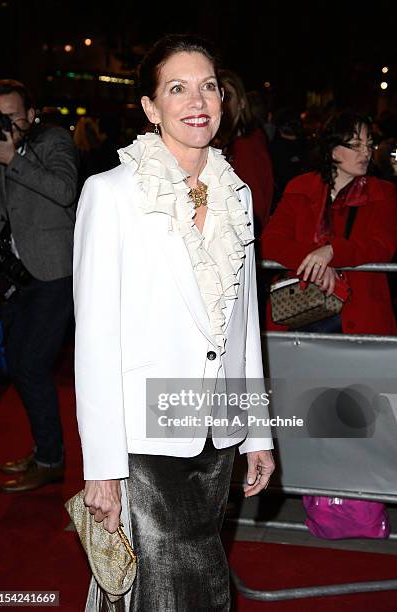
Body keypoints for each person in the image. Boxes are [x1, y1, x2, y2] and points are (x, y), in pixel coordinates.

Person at [73, 34, 275, 611]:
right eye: (178, 88)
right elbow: (94, 341)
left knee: (196, 571)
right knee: (179, 584)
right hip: (145, 432)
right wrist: (102, 468)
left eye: (208, 86)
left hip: (215, 432)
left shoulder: (237, 193)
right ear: (149, 106)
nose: (198, 100)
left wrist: (256, 432)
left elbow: (244, 333)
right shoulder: (110, 194)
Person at [261, 111, 397, 538]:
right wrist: (315, 261)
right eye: (355, 144)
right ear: (333, 149)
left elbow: (382, 245)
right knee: (306, 408)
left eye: (368, 144)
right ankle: (320, 496)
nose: (365, 152)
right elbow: (272, 239)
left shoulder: (383, 192)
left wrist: (333, 253)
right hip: (304, 314)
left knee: (355, 412)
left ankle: (351, 499)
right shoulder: (302, 187)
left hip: (359, 317)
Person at [0, 79, 78, 492]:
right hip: (11, 275)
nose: (5, 124)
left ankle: (50, 459)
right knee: (20, 367)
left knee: (32, 366)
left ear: (31, 114)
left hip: (53, 271)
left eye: (13, 116)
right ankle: (44, 448)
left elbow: (64, 191)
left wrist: (14, 159)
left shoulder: (54, 141)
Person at [214, 69, 274, 234]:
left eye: (228, 96)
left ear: (241, 103)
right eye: (216, 94)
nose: (221, 102)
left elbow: (255, 209)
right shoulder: (222, 143)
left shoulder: (246, 145)